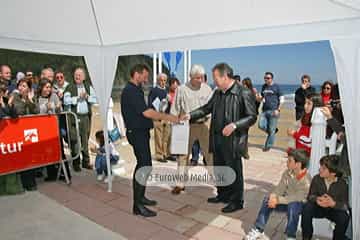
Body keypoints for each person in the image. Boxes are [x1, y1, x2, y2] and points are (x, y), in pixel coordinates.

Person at [182, 63, 257, 213]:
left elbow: (252, 117)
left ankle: (237, 201)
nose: (213, 80)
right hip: (217, 139)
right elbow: (206, 109)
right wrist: (190, 115)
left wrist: (235, 125)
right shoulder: (217, 93)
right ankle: (223, 195)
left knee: (234, 171)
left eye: (216, 77)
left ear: (225, 76)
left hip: (233, 141)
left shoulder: (243, 92)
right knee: (219, 169)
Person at [121, 64, 178, 217]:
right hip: (137, 133)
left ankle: (141, 198)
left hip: (141, 132)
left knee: (145, 165)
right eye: (145, 75)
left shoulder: (136, 89)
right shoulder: (131, 91)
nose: (147, 79)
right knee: (143, 166)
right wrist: (169, 117)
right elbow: (146, 112)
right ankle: (137, 205)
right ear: (137, 74)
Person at [245, 149, 311, 240]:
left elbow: (297, 197)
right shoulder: (287, 173)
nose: (287, 163)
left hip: (300, 205)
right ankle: (258, 229)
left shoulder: (306, 180)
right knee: (267, 199)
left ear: (298, 164)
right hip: (286, 202)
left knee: (293, 205)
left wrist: (278, 200)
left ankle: (290, 236)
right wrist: (273, 196)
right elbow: (280, 188)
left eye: (289, 161)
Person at [170, 64, 213, 195]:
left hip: (205, 125)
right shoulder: (181, 89)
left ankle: (217, 181)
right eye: (197, 78)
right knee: (183, 156)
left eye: (202, 77)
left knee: (209, 154)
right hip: (186, 126)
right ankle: (180, 184)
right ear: (190, 77)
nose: (200, 80)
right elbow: (175, 109)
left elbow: (212, 108)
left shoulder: (207, 89)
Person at [301, 155, 350, 240]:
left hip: (333, 210)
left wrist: (333, 203)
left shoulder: (342, 184)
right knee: (307, 207)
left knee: (344, 217)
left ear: (333, 173)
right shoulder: (317, 178)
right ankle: (306, 237)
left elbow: (345, 205)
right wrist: (317, 199)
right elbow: (310, 196)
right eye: (321, 167)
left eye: (323, 169)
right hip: (318, 208)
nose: (320, 169)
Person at [64, 67, 96, 172]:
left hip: (86, 117)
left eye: (79, 75)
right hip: (74, 117)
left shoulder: (88, 86)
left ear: (84, 77)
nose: (77, 76)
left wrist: (87, 97)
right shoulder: (70, 87)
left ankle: (86, 162)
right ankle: (76, 163)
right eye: (76, 75)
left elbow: (95, 100)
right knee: (75, 141)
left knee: (85, 140)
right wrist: (77, 98)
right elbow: (66, 101)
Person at [10, 78, 39, 191]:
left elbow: (36, 111)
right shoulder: (15, 97)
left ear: (29, 88)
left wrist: (30, 101)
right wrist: (25, 101)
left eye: (24, 86)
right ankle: (24, 182)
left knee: (30, 157)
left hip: (30, 132)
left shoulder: (32, 98)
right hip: (18, 132)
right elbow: (18, 111)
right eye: (20, 86)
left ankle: (31, 182)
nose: (21, 88)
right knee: (22, 158)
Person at [36, 78, 62, 181]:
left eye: (50, 87)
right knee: (43, 152)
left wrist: (58, 107)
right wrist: (45, 108)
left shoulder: (54, 96)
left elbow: (59, 111)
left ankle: (53, 174)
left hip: (53, 129)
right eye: (46, 87)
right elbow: (35, 112)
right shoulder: (37, 98)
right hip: (41, 128)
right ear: (41, 87)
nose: (48, 89)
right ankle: (40, 171)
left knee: (52, 151)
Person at [0, 83, 24, 196]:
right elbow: (2, 116)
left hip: (7, 140)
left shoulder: (5, 102)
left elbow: (14, 116)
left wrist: (8, 104)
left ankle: (11, 188)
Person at [258, 72, 284, 152]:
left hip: (274, 111)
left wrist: (278, 109)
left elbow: (282, 99)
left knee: (271, 130)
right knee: (260, 125)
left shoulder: (276, 87)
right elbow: (262, 98)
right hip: (264, 110)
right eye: (265, 78)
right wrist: (258, 97)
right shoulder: (264, 86)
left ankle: (268, 146)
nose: (266, 79)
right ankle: (272, 132)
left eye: (268, 78)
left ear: (272, 78)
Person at [148, 73, 170, 163]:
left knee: (166, 136)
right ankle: (159, 155)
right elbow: (150, 103)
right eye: (161, 80)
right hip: (157, 117)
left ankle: (166, 154)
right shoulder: (154, 90)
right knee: (159, 137)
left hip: (167, 117)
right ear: (157, 80)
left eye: (164, 80)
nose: (163, 82)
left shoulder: (166, 91)